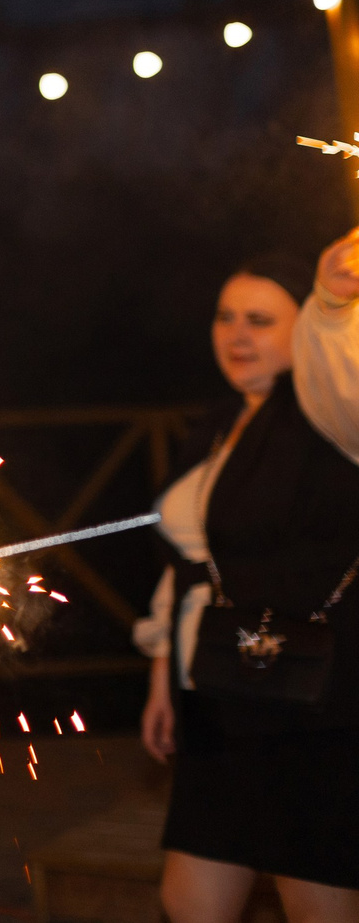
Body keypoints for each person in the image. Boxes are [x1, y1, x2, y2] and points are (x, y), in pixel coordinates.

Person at [134, 234, 359, 923]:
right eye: (226, 316)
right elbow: (194, 559)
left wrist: (332, 301)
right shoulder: (222, 419)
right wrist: (164, 666)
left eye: (260, 320)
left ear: (309, 329)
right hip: (223, 689)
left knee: (316, 899)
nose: (237, 334)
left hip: (316, 702)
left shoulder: (334, 415)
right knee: (188, 900)